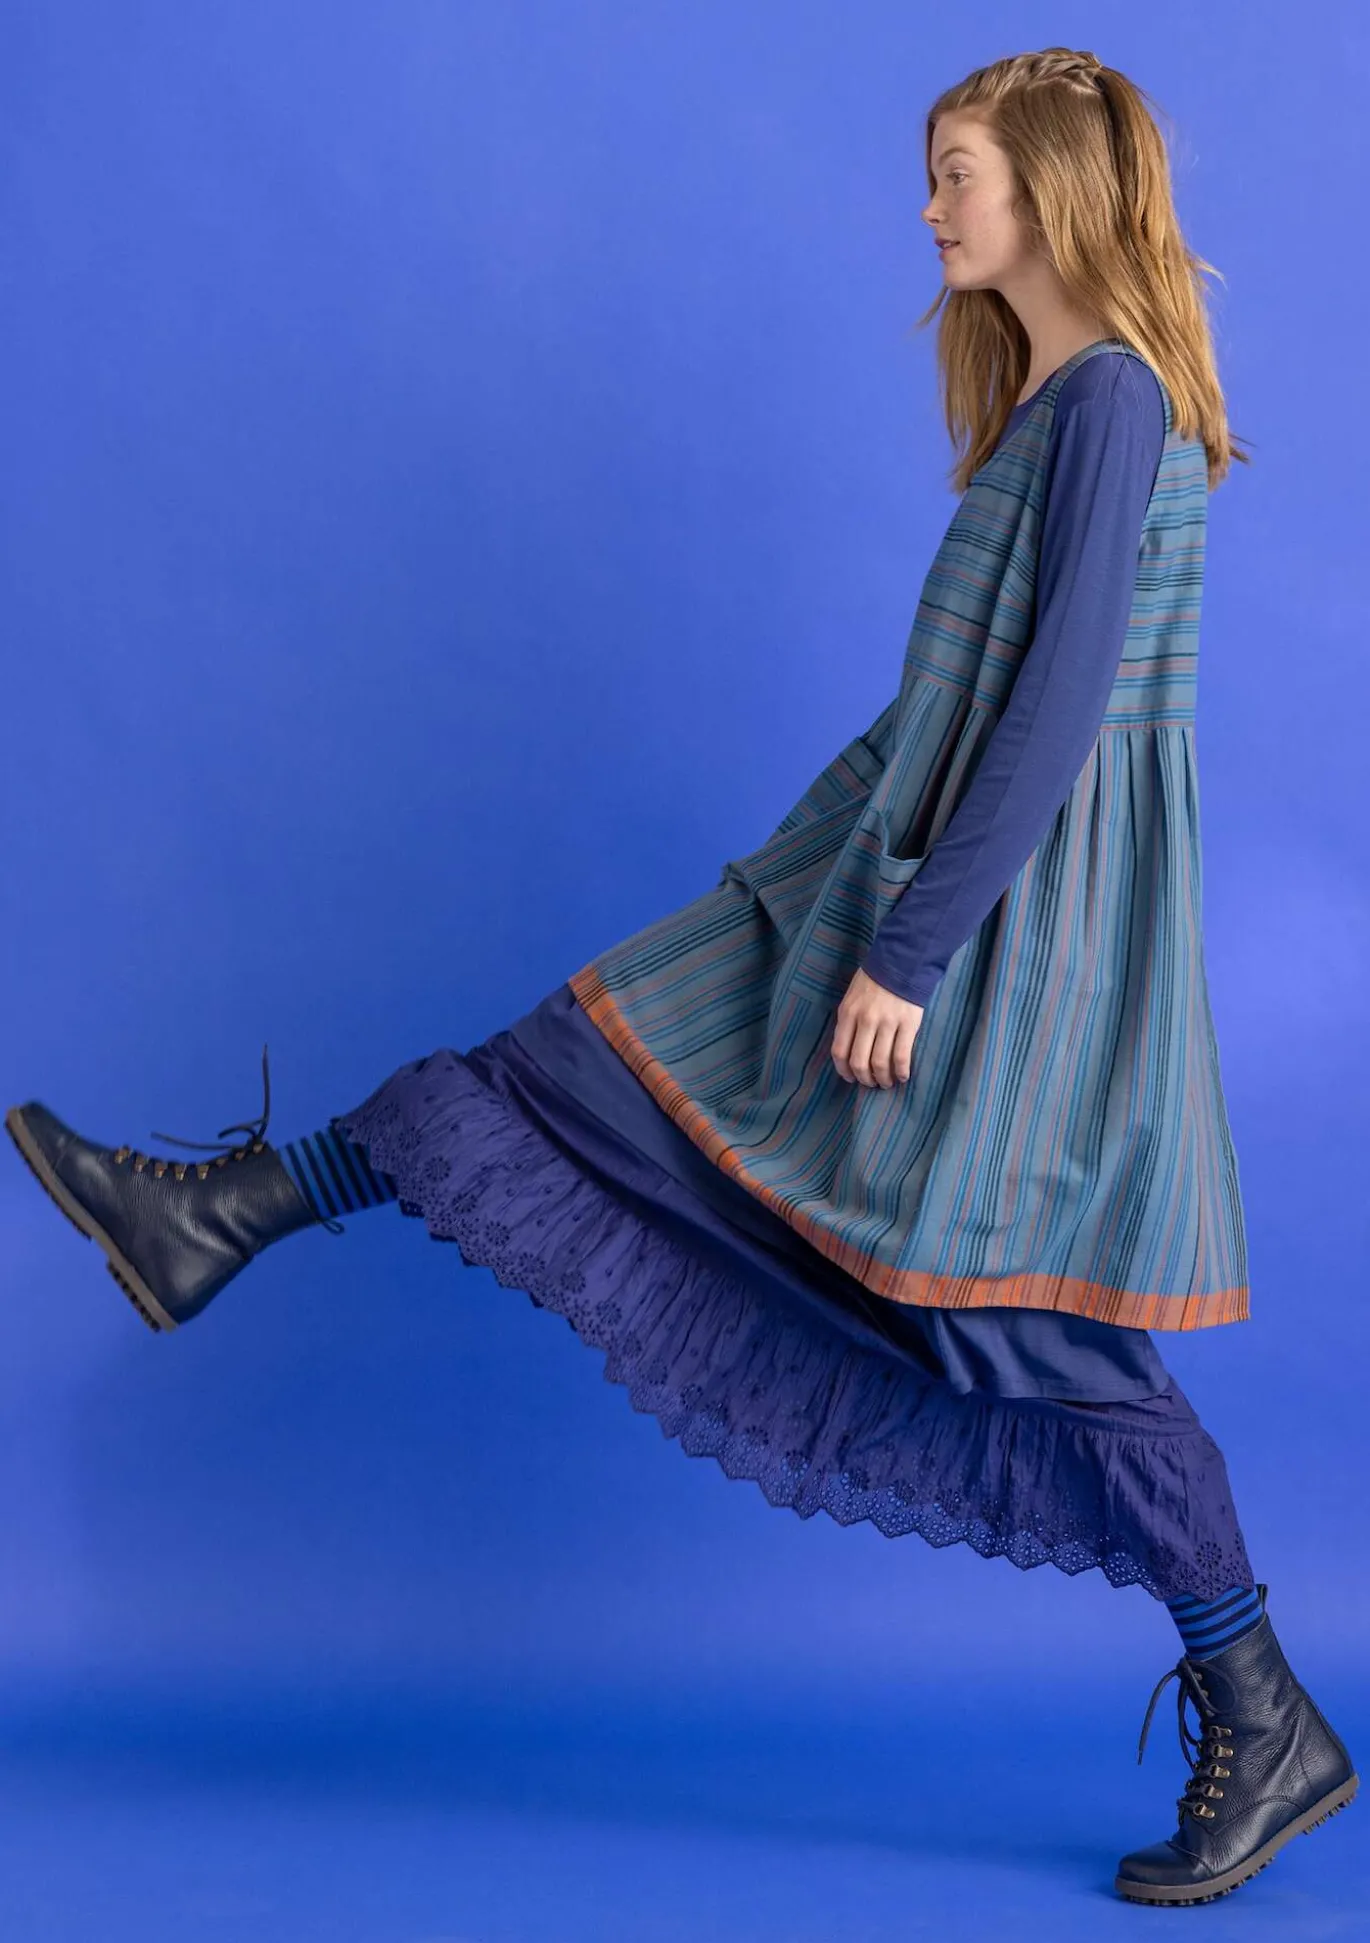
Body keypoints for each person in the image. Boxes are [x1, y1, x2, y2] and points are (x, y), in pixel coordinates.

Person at [5, 44, 1356, 1906]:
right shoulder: (1056, 401)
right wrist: (858, 897)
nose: (927, 207)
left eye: (954, 172)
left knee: (1031, 1328)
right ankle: (219, 1213)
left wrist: (908, 948)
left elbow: (1054, 723)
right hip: (884, 876)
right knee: (563, 1068)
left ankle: (1260, 1704)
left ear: (1045, 188)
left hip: (999, 936)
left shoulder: (1112, 399)